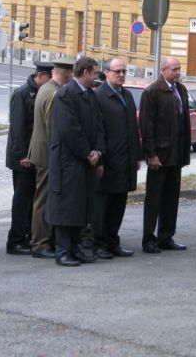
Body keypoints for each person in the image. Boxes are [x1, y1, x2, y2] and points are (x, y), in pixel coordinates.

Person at [46, 56, 105, 267]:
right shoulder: (65, 94)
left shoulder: (90, 95)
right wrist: (86, 153)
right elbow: (68, 129)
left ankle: (75, 247)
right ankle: (63, 250)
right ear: (86, 72)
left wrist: (98, 151)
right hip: (68, 161)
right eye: (95, 72)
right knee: (66, 206)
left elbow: (99, 126)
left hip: (85, 161)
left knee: (82, 206)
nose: (97, 76)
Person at [139, 57, 191, 254]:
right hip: (160, 155)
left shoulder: (181, 90)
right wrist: (151, 154)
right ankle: (149, 238)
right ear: (163, 70)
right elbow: (146, 125)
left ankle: (166, 236)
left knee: (171, 198)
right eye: (174, 69)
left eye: (179, 69)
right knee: (154, 198)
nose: (178, 72)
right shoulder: (153, 91)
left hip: (176, 154)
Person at [92, 57, 141, 259]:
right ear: (106, 73)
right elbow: (97, 131)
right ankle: (99, 244)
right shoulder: (99, 96)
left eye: (123, 71)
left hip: (125, 160)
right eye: (117, 71)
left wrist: (137, 156)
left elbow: (133, 129)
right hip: (108, 161)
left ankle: (113, 242)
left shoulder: (127, 95)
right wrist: (100, 160)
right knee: (103, 205)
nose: (121, 75)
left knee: (119, 205)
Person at [28, 57, 75, 259]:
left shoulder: (45, 88)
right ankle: (40, 243)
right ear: (66, 74)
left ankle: (42, 240)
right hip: (47, 155)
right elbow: (53, 129)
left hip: (40, 151)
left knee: (42, 197)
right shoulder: (55, 93)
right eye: (70, 75)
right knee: (44, 199)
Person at [5, 61, 52, 255]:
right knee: (22, 200)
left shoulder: (39, 92)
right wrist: (22, 155)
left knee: (33, 198)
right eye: (48, 78)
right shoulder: (22, 93)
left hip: (34, 156)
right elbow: (17, 128)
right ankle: (15, 240)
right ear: (40, 75)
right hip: (23, 158)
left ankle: (28, 236)